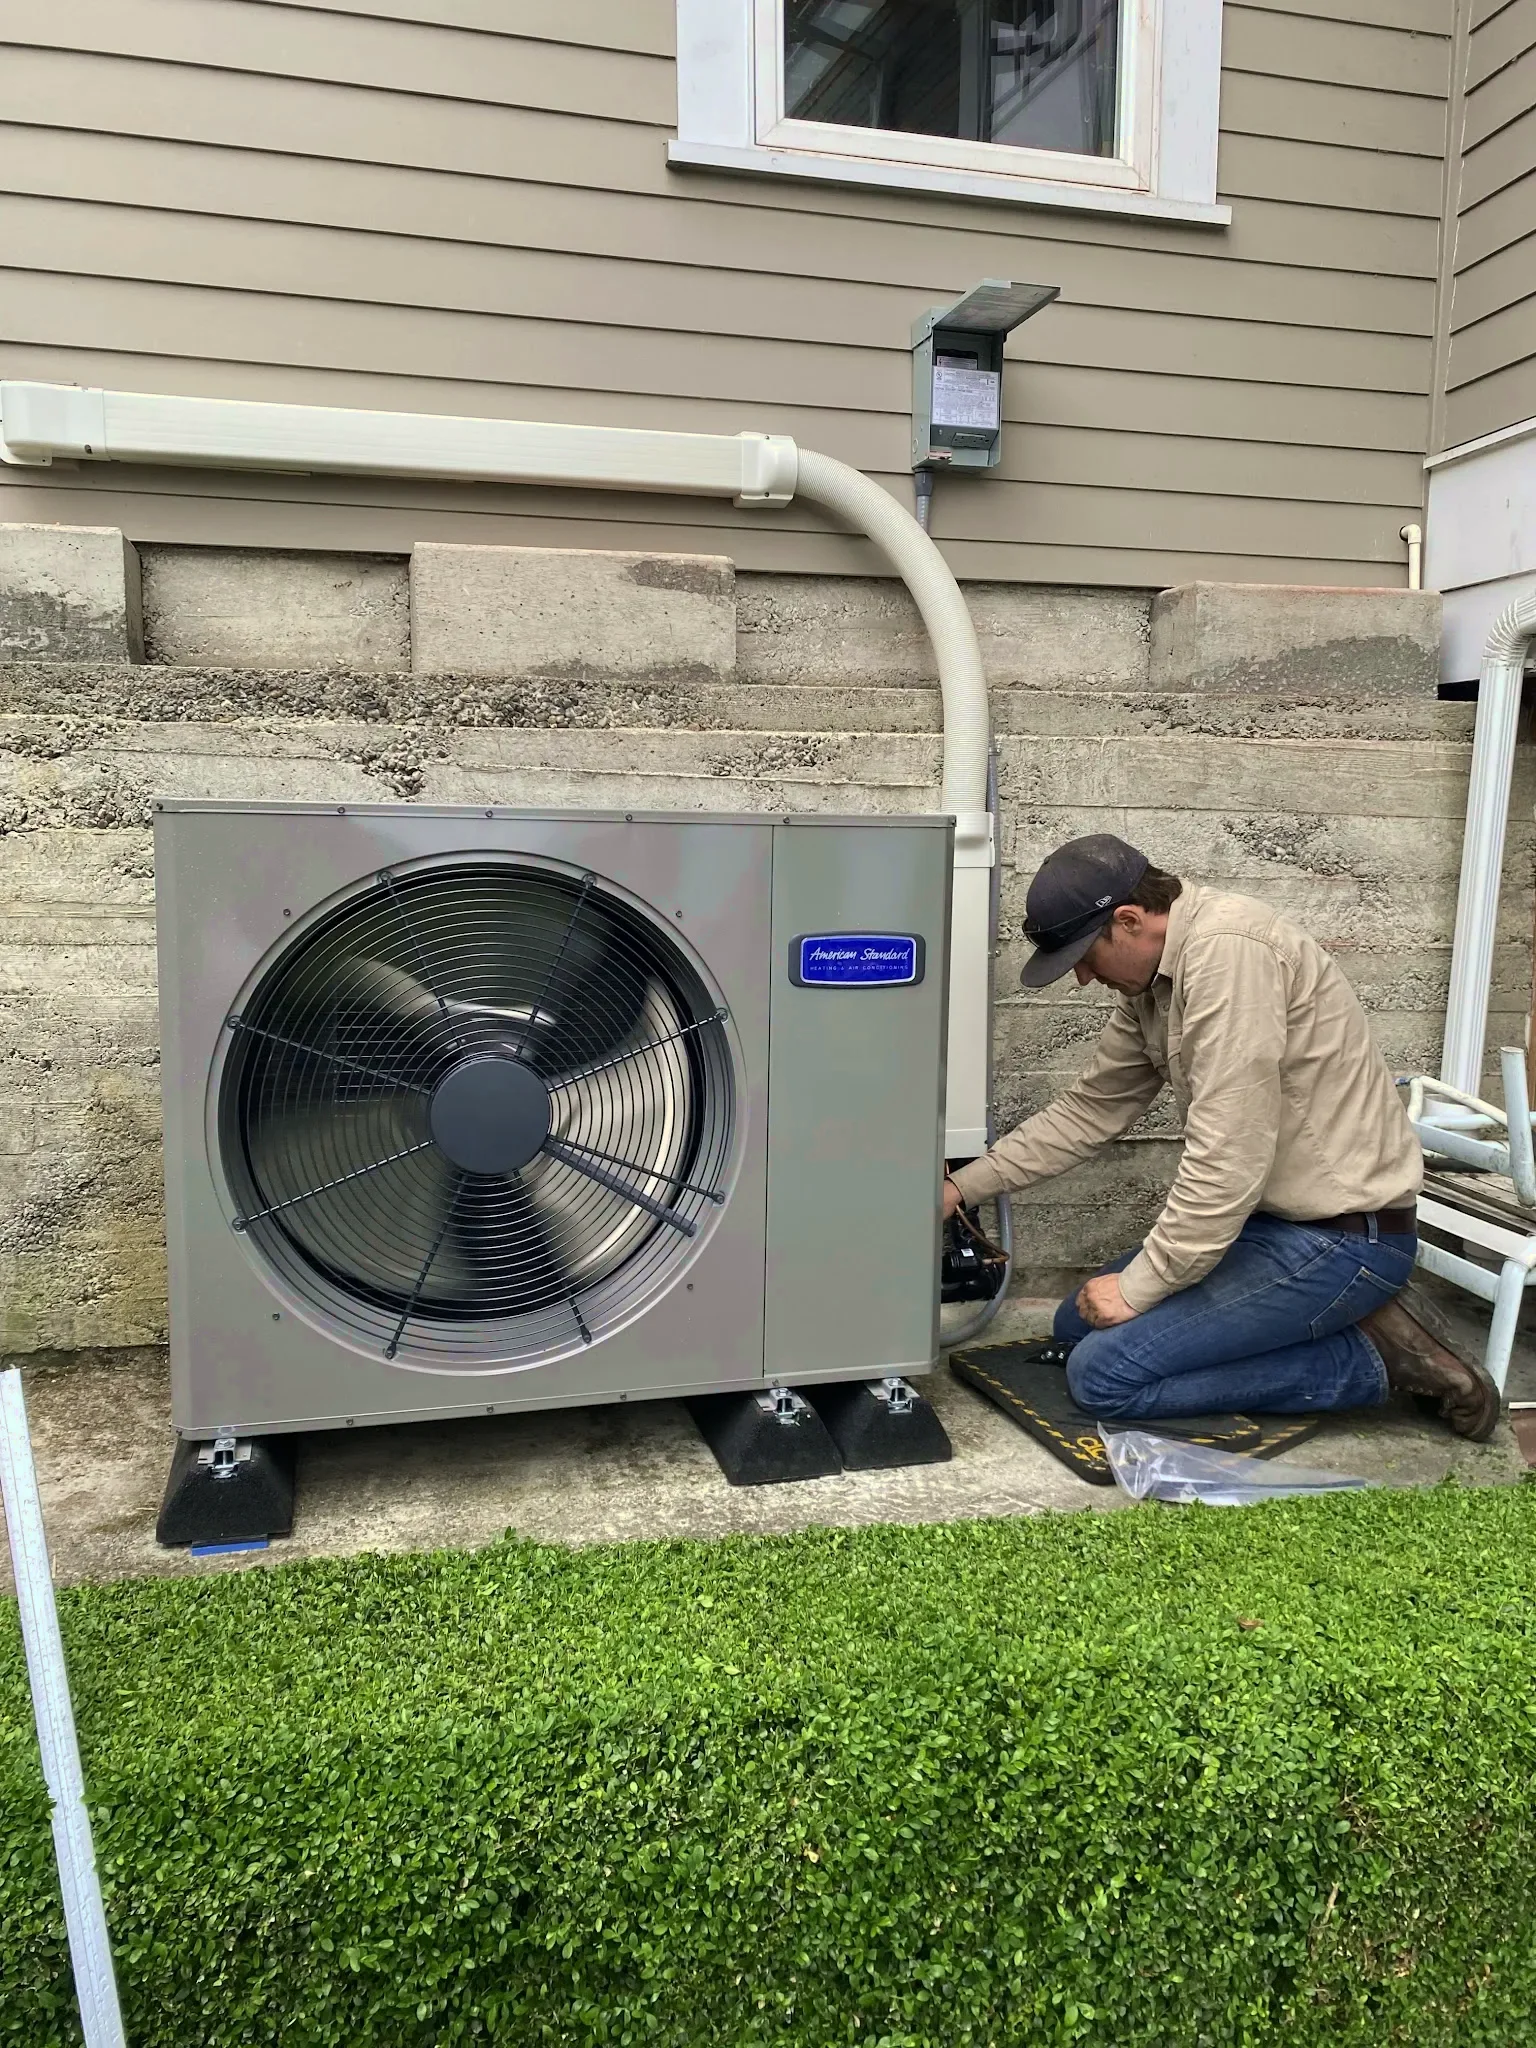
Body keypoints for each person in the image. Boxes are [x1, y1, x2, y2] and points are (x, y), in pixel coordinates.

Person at [943, 833, 1500, 1440]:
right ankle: (1336, 1318)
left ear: (1128, 920)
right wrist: (959, 1189)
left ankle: (1376, 1359)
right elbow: (1089, 1111)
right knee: (1075, 1326)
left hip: (1345, 1241)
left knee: (1104, 1376)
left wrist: (1139, 1288)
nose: (1080, 977)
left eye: (1084, 955)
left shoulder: (1231, 956)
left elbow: (1227, 1157)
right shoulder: (1154, 983)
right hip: (1269, 1227)